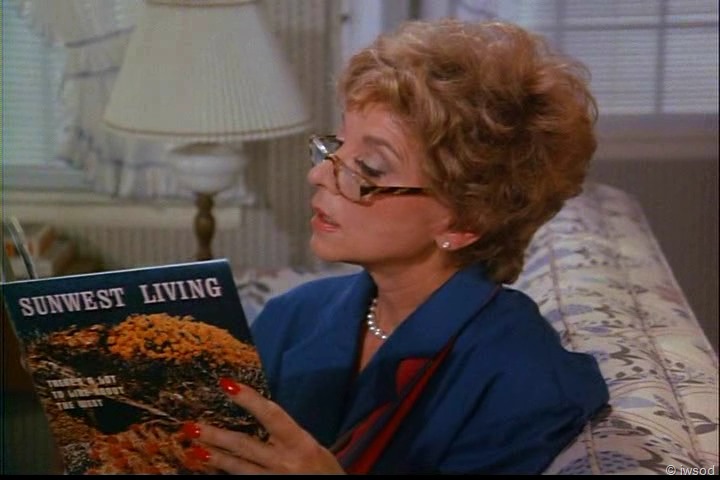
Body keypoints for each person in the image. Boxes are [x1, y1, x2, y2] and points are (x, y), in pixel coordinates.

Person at [181, 17, 609, 474]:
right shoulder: (292, 316)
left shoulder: (526, 377)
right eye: (336, 148)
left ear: (466, 221)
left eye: (368, 167)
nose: (319, 175)